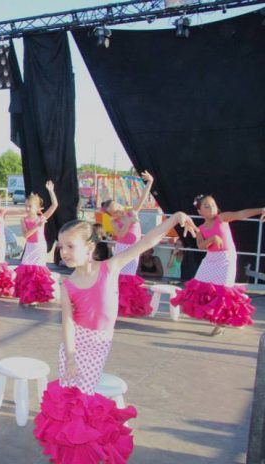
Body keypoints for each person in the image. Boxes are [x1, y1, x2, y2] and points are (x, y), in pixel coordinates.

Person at [33, 213, 198, 463]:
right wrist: (70, 356)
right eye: (60, 245)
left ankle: (78, 452)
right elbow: (67, 321)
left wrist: (174, 218)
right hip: (75, 346)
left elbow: (146, 242)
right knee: (74, 401)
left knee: (82, 402)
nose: (63, 252)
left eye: (70, 246)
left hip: (98, 345)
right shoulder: (68, 284)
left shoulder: (109, 268)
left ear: (89, 247)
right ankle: (71, 453)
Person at [171, 195, 262, 336]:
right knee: (199, 285)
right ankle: (212, 313)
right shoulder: (200, 228)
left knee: (224, 291)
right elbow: (201, 246)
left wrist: (261, 210)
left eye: (213, 204)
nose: (211, 207)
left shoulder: (222, 218)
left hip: (226, 258)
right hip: (210, 259)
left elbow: (240, 214)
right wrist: (213, 239)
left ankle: (222, 323)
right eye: (206, 206)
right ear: (200, 211)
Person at [101, 171, 154, 317]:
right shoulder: (114, 221)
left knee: (129, 276)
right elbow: (121, 234)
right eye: (114, 212)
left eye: (118, 208)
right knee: (119, 276)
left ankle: (126, 305)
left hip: (133, 249)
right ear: (111, 215)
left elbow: (142, 199)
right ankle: (114, 303)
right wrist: (127, 222)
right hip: (122, 249)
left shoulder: (131, 212)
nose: (118, 212)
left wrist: (149, 182)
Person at [14, 181, 58, 305]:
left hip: (39, 247)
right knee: (27, 268)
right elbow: (26, 235)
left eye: (30, 206)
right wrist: (37, 226)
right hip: (30, 247)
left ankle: (35, 297)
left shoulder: (42, 217)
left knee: (37, 271)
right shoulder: (23, 220)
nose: (27, 208)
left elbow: (54, 205)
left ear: (38, 208)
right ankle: (26, 294)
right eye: (26, 205)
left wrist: (51, 190)